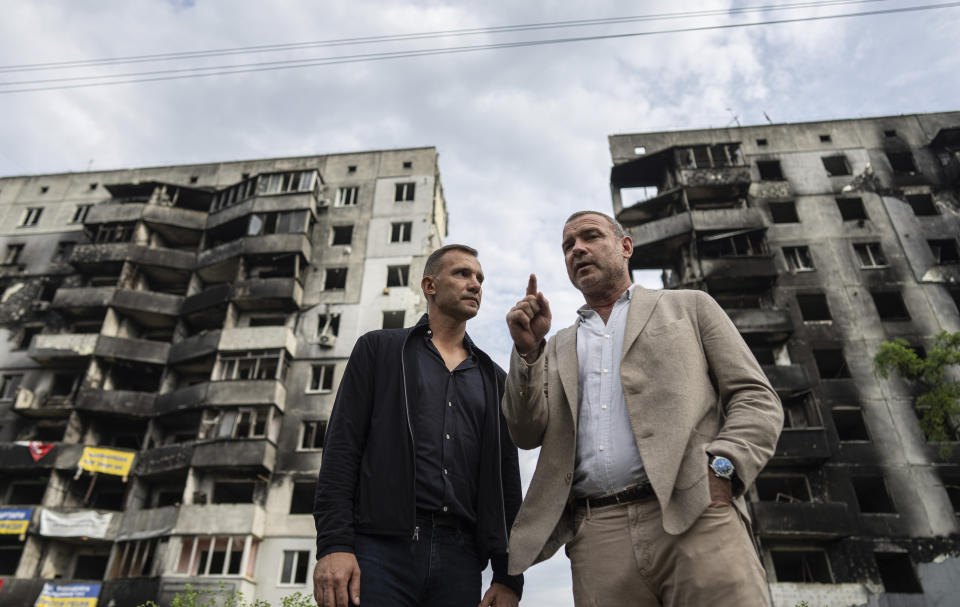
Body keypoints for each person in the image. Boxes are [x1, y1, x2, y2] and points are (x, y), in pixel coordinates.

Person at [503, 211, 783, 607]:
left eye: (590, 237)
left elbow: (755, 397)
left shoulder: (690, 306)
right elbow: (524, 432)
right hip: (598, 537)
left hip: (697, 513)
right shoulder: (557, 346)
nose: (577, 249)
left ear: (625, 246)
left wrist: (725, 469)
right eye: (568, 246)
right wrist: (528, 352)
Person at [313, 244, 523, 607]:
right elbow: (341, 451)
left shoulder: (494, 379)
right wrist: (334, 545)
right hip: (379, 551)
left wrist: (509, 577)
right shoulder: (379, 351)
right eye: (462, 274)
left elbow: (506, 480)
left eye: (480, 278)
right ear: (430, 285)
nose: (475, 284)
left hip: (461, 558)